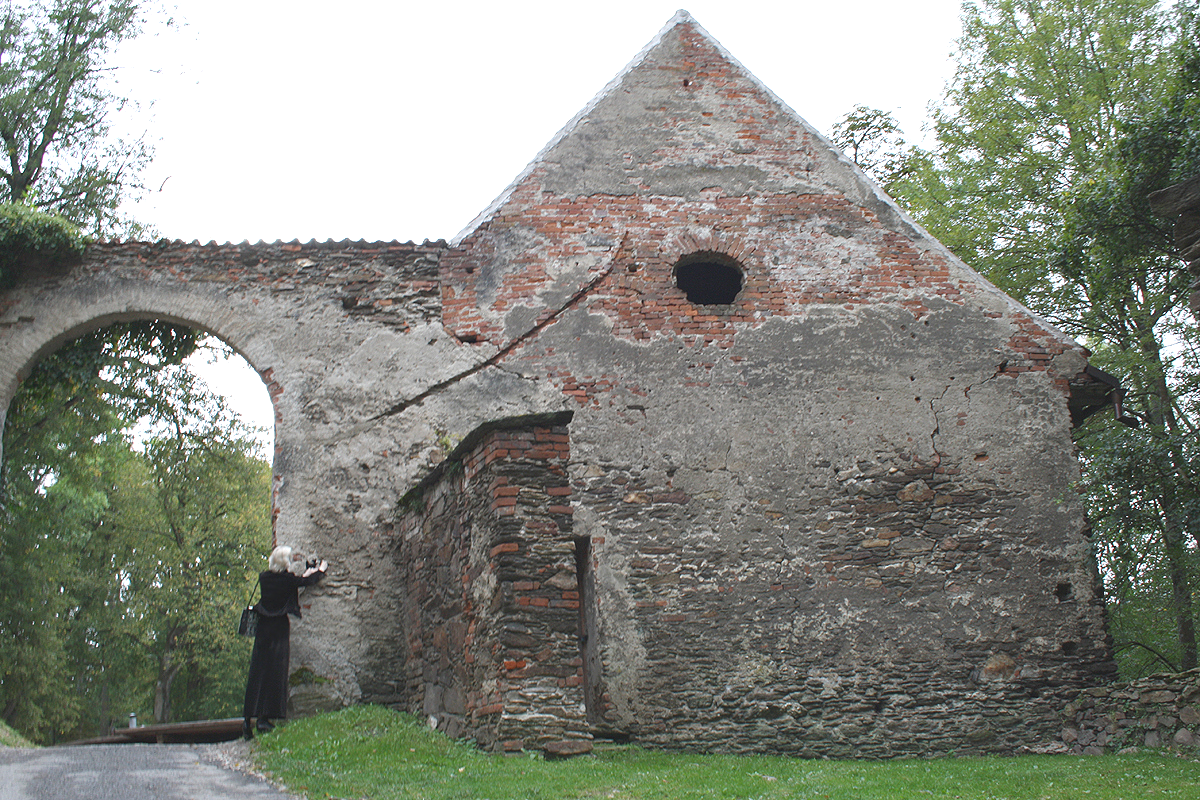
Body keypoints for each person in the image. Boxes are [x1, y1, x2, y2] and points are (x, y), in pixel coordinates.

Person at [242, 545, 327, 739]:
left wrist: (307, 572)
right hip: (279, 628)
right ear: (285, 562)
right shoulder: (287, 580)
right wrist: (319, 570)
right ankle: (265, 719)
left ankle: (248, 720)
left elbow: (296, 580)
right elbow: (305, 581)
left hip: (263, 627)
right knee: (275, 673)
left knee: (258, 672)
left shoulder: (264, 578)